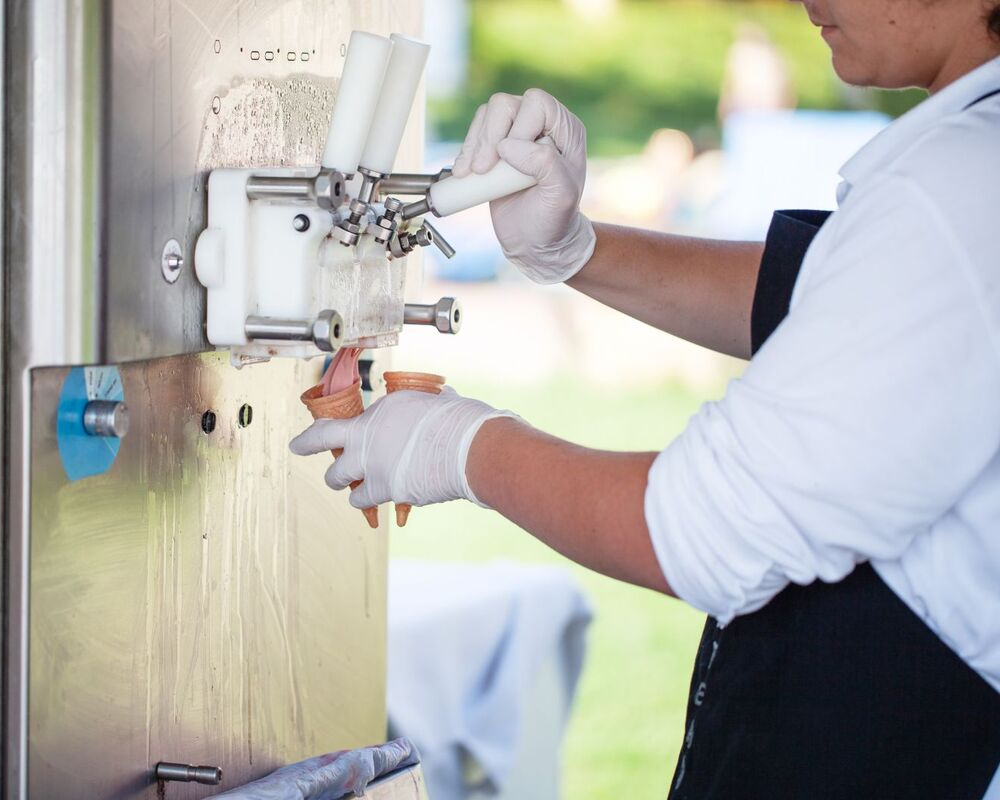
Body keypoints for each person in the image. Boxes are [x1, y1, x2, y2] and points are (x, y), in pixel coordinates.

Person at [292, 1, 1000, 796]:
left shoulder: (963, 184)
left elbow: (704, 527)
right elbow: (820, 295)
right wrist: (573, 248)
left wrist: (457, 446)